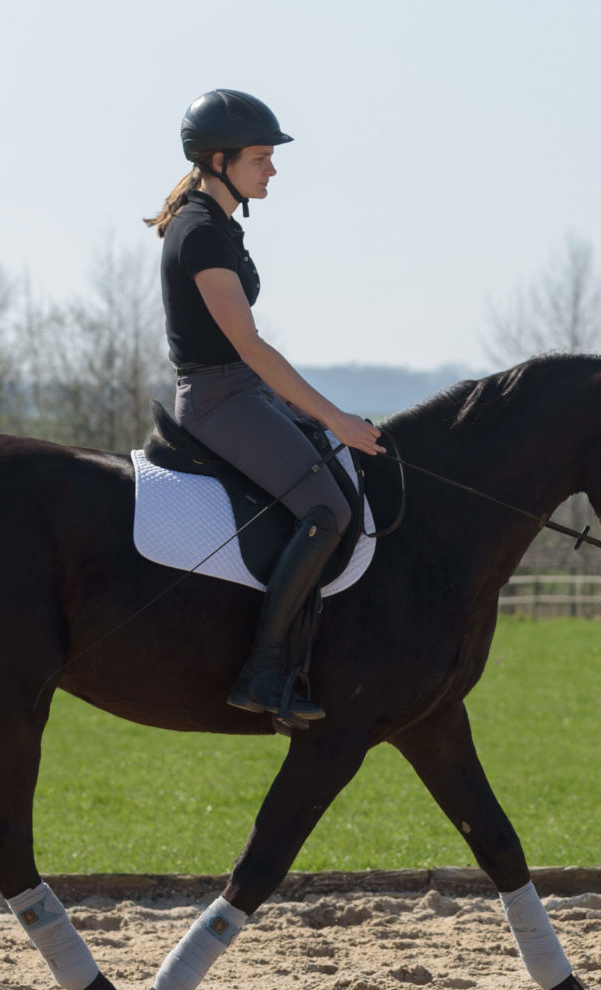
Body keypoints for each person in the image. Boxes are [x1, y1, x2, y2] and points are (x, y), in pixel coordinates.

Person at [145, 89, 384, 724]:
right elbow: (248, 346)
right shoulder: (199, 233)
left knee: (344, 485)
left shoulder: (219, 223)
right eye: (260, 157)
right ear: (217, 160)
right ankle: (263, 671)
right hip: (219, 399)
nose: (272, 169)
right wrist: (334, 417)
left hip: (243, 393)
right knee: (327, 508)